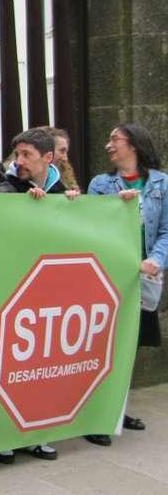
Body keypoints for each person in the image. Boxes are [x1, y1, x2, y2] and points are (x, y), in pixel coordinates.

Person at [0, 128, 78, 464]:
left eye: (27, 155)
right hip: (13, 290)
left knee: (44, 365)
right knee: (8, 365)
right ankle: (2, 436)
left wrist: (70, 204)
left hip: (49, 293)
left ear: (48, 158)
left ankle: (39, 434)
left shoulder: (61, 188)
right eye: (17, 155)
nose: (19, 162)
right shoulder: (7, 188)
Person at [85, 123, 167, 446]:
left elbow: (164, 232)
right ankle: (97, 415)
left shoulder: (160, 183)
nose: (108, 145)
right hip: (108, 279)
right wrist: (116, 209)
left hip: (143, 278)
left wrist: (157, 260)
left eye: (114, 139)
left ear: (133, 145)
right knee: (103, 343)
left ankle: (117, 408)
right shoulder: (101, 184)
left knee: (128, 346)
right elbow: (88, 226)